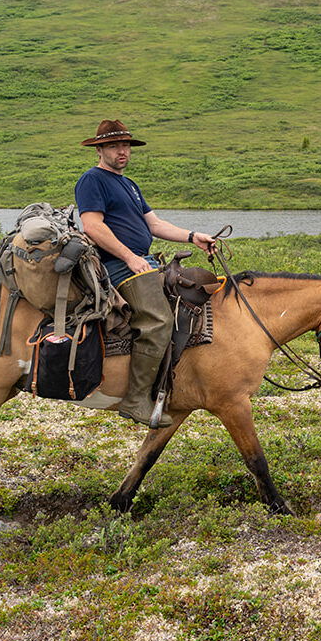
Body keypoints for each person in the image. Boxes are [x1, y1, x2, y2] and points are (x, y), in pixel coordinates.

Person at [74, 119, 217, 427]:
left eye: (125, 145)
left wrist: (194, 236)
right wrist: (130, 257)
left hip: (141, 260)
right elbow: (93, 226)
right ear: (99, 150)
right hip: (116, 266)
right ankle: (136, 400)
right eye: (114, 146)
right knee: (158, 320)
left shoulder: (128, 184)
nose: (122, 151)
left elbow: (154, 225)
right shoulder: (92, 180)